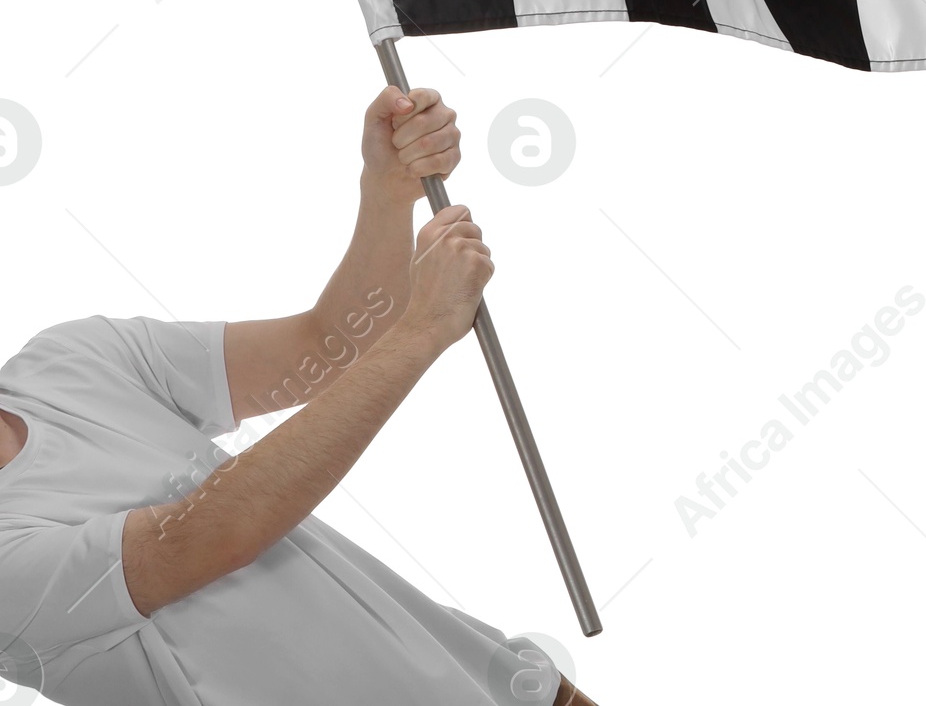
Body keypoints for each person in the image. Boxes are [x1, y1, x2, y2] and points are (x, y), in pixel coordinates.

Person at [0, 86, 597, 706]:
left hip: (491, 680)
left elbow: (324, 347)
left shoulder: (67, 359)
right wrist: (424, 327)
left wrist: (389, 192)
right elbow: (219, 531)